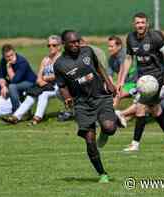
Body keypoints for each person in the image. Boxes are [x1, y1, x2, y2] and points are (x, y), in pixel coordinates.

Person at [53, 30, 120, 183]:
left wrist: (109, 83)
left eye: (78, 41)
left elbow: (99, 68)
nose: (76, 44)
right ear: (64, 44)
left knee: (110, 127)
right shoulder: (59, 64)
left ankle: (105, 130)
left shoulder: (88, 51)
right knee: (90, 141)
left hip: (100, 97)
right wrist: (67, 98)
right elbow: (62, 85)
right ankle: (102, 173)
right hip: (82, 104)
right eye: (72, 42)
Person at [117, 12, 164, 152]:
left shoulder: (155, 38)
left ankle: (135, 144)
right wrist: (121, 80)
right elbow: (128, 59)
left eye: (143, 22)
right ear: (134, 24)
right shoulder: (130, 38)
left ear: (147, 24)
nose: (140, 25)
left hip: (155, 79)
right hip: (142, 78)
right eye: (138, 23)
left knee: (140, 106)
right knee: (156, 110)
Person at [2, 35, 62, 125]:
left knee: (43, 94)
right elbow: (39, 75)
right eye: (49, 45)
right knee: (31, 95)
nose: (51, 47)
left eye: (54, 45)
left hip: (59, 87)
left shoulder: (62, 59)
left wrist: (45, 78)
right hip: (46, 86)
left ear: (59, 46)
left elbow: (61, 75)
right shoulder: (46, 59)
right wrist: (39, 80)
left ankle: (37, 118)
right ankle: (15, 117)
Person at [0, 44, 37, 122]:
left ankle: (17, 114)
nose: (10, 58)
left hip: (29, 82)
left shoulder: (22, 62)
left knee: (12, 87)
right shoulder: (3, 61)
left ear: (14, 52)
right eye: (7, 56)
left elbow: (15, 80)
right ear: (3, 56)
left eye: (12, 55)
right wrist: (3, 86)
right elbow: (0, 77)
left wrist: (9, 67)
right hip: (15, 82)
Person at [107, 35, 137, 107]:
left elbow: (122, 70)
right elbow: (109, 74)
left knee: (118, 94)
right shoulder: (111, 59)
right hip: (124, 84)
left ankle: (113, 110)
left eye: (111, 46)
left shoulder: (124, 53)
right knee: (106, 89)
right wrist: (111, 85)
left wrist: (117, 86)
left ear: (119, 46)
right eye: (108, 46)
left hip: (135, 82)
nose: (109, 49)